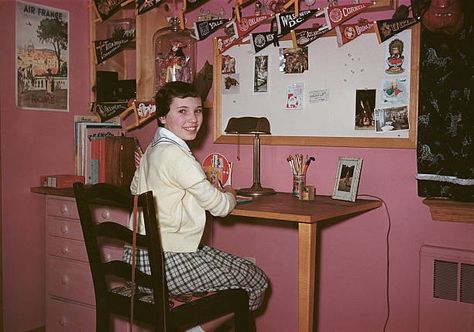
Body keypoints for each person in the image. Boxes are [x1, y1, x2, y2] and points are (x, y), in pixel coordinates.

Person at [124, 81, 268, 330]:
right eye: (182, 111)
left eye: (198, 110)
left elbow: (134, 190)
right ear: (161, 118)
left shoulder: (153, 149)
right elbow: (221, 207)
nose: (193, 119)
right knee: (255, 281)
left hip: (137, 259)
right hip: (167, 262)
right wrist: (230, 192)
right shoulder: (177, 155)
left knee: (239, 269)